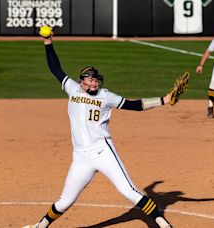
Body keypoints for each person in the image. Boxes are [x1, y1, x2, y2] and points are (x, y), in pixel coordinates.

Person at [23, 33, 177, 228]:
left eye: (97, 80)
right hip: (80, 157)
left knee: (128, 190)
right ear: (83, 81)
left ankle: (162, 223)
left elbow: (134, 105)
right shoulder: (72, 89)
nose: (96, 83)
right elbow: (55, 68)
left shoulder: (106, 96)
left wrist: (164, 100)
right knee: (65, 200)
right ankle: (40, 226)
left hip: (103, 151)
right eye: (92, 80)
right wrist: (48, 42)